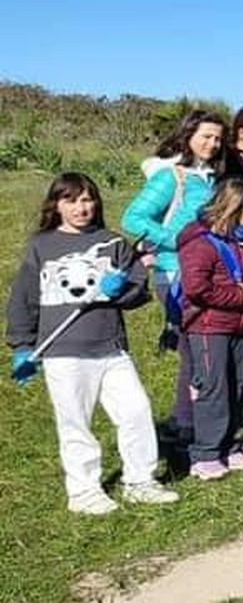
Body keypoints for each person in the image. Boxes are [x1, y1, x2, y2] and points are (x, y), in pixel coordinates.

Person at [7, 173, 178, 513]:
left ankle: (140, 480)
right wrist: (22, 345)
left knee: (136, 411)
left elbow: (135, 290)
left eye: (87, 200)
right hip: (63, 352)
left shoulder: (112, 242)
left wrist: (123, 288)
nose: (81, 208)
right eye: (71, 201)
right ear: (56, 205)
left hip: (110, 347)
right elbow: (23, 298)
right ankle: (84, 491)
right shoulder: (41, 246)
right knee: (75, 421)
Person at [122, 108, 227, 436]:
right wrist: (181, 242)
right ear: (189, 136)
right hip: (175, 274)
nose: (212, 143)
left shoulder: (209, 177)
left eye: (218, 138)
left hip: (205, 273)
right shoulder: (172, 176)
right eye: (206, 136)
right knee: (192, 350)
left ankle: (192, 418)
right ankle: (186, 422)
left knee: (199, 350)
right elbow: (133, 218)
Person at [177, 179, 243, 479]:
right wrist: (238, 296)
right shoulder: (200, 243)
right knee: (214, 387)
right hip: (208, 327)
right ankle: (205, 453)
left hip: (239, 324)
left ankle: (230, 446)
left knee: (238, 384)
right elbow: (196, 289)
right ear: (233, 209)